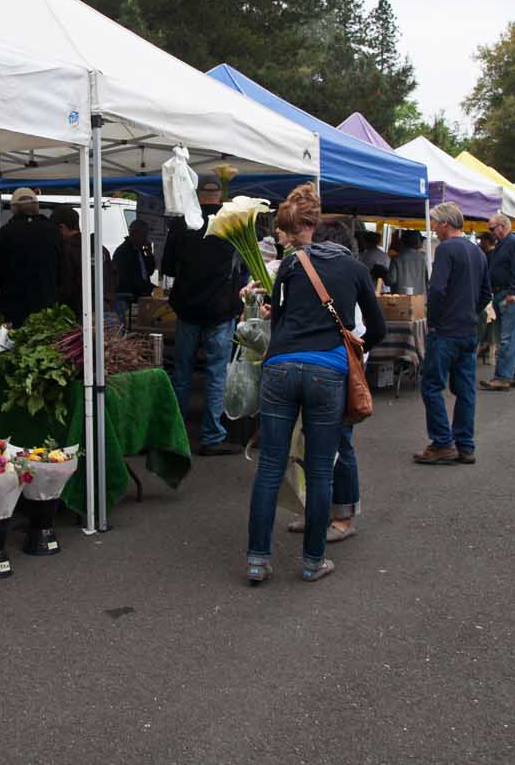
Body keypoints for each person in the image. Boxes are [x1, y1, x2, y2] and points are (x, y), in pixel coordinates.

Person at [243, 184, 386, 584]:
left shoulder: (290, 265)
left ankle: (257, 559)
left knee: (271, 466)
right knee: (322, 470)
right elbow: (376, 327)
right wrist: (354, 354)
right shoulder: (356, 270)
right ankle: (312, 562)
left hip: (280, 368)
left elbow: (282, 320)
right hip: (328, 370)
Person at [284, 217, 368, 547]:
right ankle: (316, 512)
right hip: (321, 370)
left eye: (299, 235)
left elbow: (363, 330)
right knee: (312, 444)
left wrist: (351, 365)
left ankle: (343, 517)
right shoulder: (311, 270)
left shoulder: (348, 274)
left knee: (340, 444)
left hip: (341, 372)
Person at [162, 173, 246, 456]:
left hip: (188, 308)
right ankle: (211, 436)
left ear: (198, 195)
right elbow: (245, 267)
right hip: (222, 308)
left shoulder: (181, 223)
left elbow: (169, 268)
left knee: (182, 372)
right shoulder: (232, 222)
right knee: (216, 372)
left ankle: (175, 435)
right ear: (219, 195)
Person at [414, 202, 491, 466]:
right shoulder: (477, 252)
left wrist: (434, 320)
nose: (434, 229)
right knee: (465, 389)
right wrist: (471, 311)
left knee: (432, 386)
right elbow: (486, 293)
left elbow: (436, 289)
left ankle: (442, 442)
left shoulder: (446, 249)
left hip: (446, 330)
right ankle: (465, 445)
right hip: (468, 329)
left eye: (435, 223)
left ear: (445, 224)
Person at [0, 187, 64, 327]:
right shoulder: (54, 232)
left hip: (14, 306)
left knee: (15, 345)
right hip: (46, 304)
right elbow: (63, 269)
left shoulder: (4, 233)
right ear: (37, 207)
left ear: (14, 209)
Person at [480, 213, 515, 392]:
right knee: (510, 336)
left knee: (507, 337)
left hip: (509, 293)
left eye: (492, 229)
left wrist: (513, 291)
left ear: (502, 226)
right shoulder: (506, 243)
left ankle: (502, 377)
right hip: (503, 292)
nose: (491, 232)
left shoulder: (513, 243)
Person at [113, 219, 157, 323]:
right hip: (128, 298)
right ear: (135, 233)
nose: (146, 238)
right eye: (144, 235)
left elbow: (148, 272)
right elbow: (131, 278)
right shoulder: (123, 252)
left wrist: (149, 255)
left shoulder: (139, 250)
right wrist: (151, 288)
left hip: (140, 296)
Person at [476, 230, 498, 365]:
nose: (479, 243)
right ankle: (489, 353)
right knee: (491, 322)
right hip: (491, 293)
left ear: (486, 241)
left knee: (486, 321)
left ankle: (482, 348)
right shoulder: (490, 254)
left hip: (489, 294)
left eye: (481, 240)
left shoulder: (488, 256)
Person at [387, 230, 428, 296]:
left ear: (402, 242)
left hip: (401, 299)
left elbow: (391, 280)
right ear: (417, 242)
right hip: (420, 299)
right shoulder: (424, 258)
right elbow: (428, 279)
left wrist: (383, 274)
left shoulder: (397, 258)